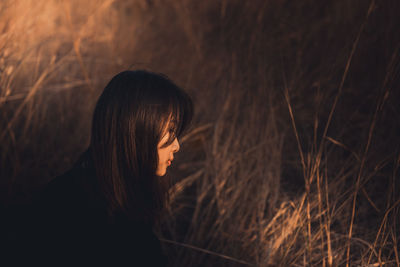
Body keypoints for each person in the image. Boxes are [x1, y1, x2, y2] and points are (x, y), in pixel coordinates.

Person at [27, 70, 193, 266]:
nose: (177, 145)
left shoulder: (119, 195)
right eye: (171, 131)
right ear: (137, 129)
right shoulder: (78, 214)